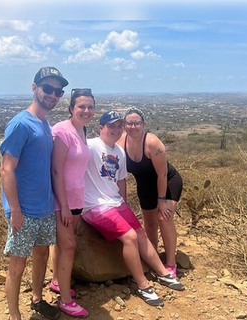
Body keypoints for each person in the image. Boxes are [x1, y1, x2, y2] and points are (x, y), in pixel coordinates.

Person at [82, 111, 184, 309]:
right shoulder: (90, 145)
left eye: (118, 126)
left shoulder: (121, 151)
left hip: (120, 200)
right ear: (100, 127)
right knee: (130, 237)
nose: (116, 129)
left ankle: (164, 271)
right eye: (111, 126)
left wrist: (123, 203)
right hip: (95, 205)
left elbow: (122, 180)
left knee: (142, 233)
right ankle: (143, 285)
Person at [0, 66, 68, 320]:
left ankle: (37, 299)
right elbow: (6, 169)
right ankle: (14, 316)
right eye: (48, 88)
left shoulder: (43, 122)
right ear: (34, 88)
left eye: (58, 91)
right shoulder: (21, 123)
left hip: (44, 207)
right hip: (25, 210)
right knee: (17, 264)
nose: (52, 94)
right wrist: (15, 210)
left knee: (40, 254)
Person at [117, 107, 183, 282]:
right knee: (150, 223)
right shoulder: (120, 142)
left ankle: (170, 263)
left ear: (143, 124)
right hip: (145, 185)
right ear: (124, 125)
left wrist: (162, 200)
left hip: (167, 182)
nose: (133, 126)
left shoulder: (152, 142)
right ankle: (153, 259)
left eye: (137, 123)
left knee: (164, 217)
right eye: (129, 123)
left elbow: (162, 174)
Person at [50, 88, 95, 318]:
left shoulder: (82, 130)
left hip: (76, 198)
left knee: (63, 245)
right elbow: (56, 169)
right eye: (81, 107)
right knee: (68, 245)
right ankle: (65, 300)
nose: (86, 111)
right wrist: (64, 205)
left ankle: (58, 281)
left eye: (90, 107)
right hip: (62, 201)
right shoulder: (62, 130)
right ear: (71, 109)